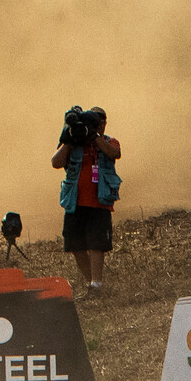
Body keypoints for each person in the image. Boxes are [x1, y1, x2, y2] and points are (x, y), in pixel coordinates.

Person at [52, 104, 122, 293]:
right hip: (74, 203)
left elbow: (113, 153)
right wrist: (69, 139)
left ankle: (96, 284)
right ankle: (92, 282)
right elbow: (56, 162)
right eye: (95, 122)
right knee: (76, 246)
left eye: (101, 122)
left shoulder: (109, 141)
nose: (99, 125)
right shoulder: (74, 145)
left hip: (100, 202)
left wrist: (94, 136)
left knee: (96, 244)